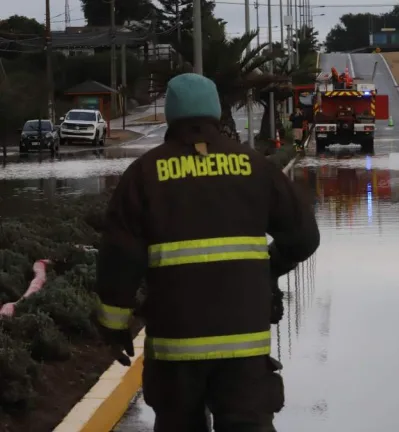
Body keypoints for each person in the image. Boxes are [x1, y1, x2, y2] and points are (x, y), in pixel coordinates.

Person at [93, 73, 320, 432]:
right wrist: (270, 267)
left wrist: (114, 328)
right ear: (215, 112)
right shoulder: (256, 168)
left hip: (174, 350)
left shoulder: (143, 176)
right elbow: (304, 239)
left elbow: (119, 260)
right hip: (244, 349)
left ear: (171, 114)